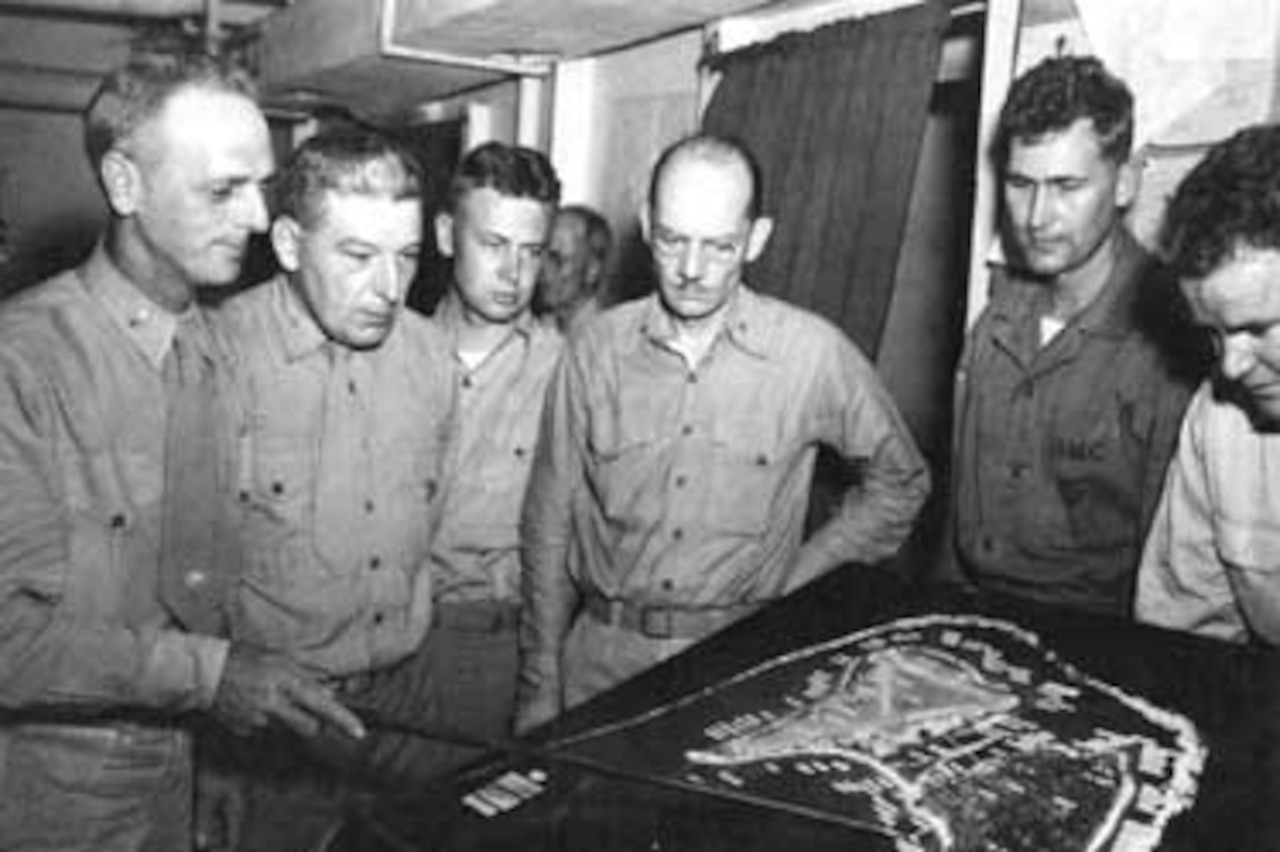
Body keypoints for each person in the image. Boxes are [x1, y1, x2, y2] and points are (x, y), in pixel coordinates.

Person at [0, 48, 361, 852]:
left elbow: (203, 585)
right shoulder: (20, 364)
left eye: (260, 187)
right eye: (223, 191)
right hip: (44, 795)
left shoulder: (213, 349)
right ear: (126, 185)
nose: (261, 220)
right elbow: (8, 643)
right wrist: (212, 677)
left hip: (177, 763)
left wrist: (218, 765)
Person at [517, 133, 930, 731]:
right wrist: (539, 681)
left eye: (719, 247)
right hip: (599, 668)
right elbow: (548, 519)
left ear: (757, 238)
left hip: (741, 670)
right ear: (647, 224)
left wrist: (800, 580)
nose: (690, 270)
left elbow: (900, 482)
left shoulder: (810, 354)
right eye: (672, 241)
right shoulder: (595, 350)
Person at [206, 127, 456, 850]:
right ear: (287, 245)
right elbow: (185, 572)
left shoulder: (431, 356)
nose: (389, 288)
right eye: (356, 256)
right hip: (273, 720)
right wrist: (211, 754)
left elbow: (427, 525)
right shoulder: (219, 356)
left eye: (406, 257)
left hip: (408, 703)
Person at [947, 55, 1203, 616]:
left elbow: (1174, 582)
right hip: (973, 612)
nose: (1038, 216)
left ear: (1126, 182)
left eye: (1066, 186)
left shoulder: (1171, 345)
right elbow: (957, 521)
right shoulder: (996, 320)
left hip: (1097, 636)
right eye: (1020, 184)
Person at [425, 141, 562, 762]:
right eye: (494, 245)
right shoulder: (388, 353)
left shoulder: (568, 371)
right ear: (448, 235)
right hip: (375, 640)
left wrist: (543, 677)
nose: (514, 273)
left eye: (531, 251)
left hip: (491, 648)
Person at [1135, 123, 1280, 644]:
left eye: (1257, 328)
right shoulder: (1219, 418)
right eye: (1215, 335)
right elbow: (1185, 641)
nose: (1232, 367)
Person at [535, 203, 612, 333]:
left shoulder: (609, 341)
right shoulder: (539, 330)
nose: (543, 269)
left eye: (557, 259)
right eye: (538, 254)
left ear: (592, 270)